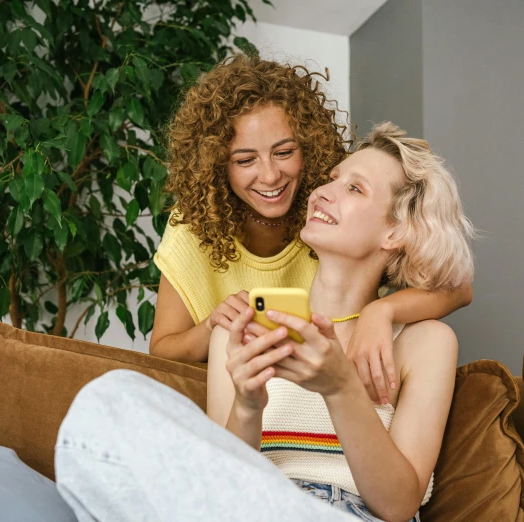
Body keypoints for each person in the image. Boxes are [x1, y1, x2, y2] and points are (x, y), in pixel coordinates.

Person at [55, 123, 475, 522]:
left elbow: (399, 505)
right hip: (246, 506)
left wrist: (341, 386)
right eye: (332, 178)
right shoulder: (240, 330)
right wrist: (247, 405)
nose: (323, 192)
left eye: (354, 188)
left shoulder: (425, 343)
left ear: (395, 232)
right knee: (112, 394)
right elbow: (227, 484)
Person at [150, 54, 472, 403]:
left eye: (285, 152)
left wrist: (381, 311)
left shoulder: (327, 209)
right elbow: (162, 351)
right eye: (245, 160)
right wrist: (215, 326)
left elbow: (456, 286)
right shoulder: (196, 226)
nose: (270, 176)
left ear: (307, 144)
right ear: (217, 165)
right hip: (240, 388)